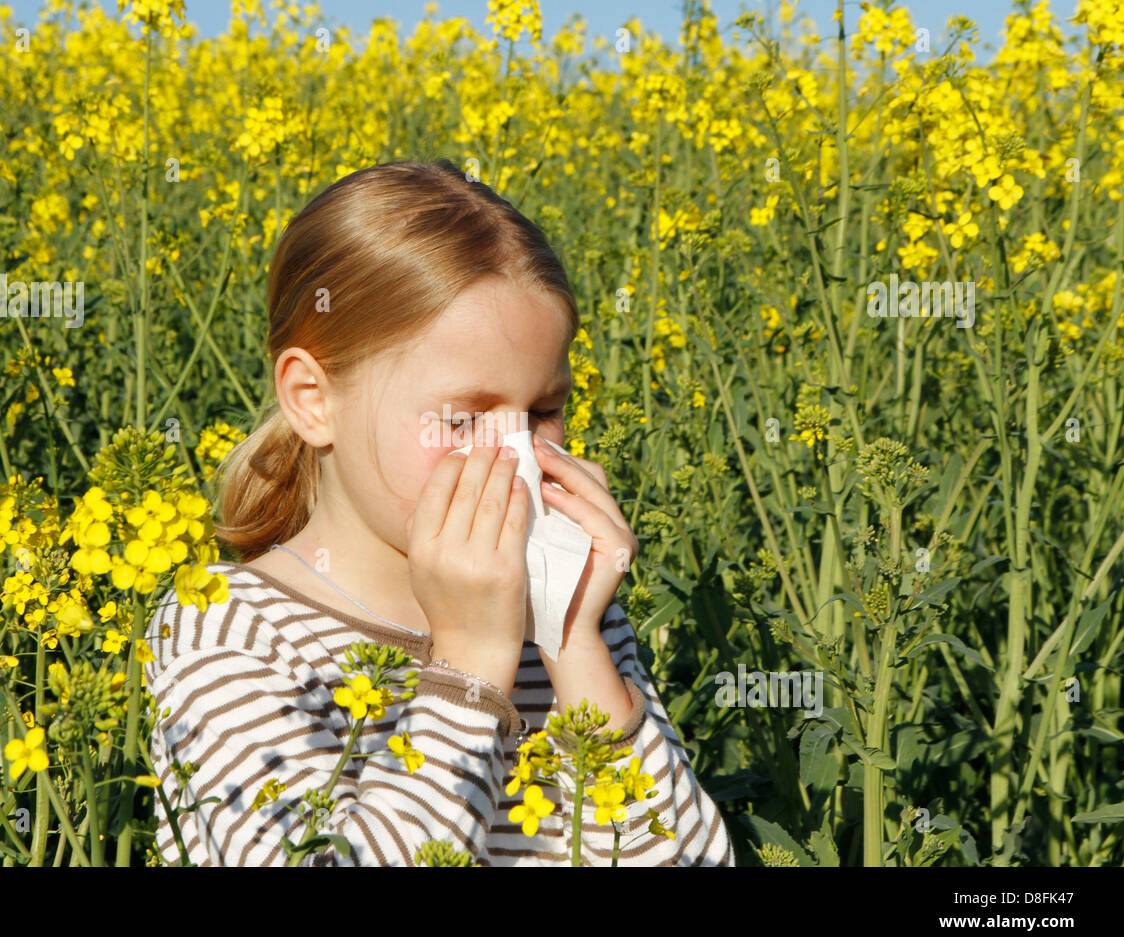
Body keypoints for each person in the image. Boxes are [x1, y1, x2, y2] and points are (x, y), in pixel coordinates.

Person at [143, 158, 735, 866]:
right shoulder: (231, 631)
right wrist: (468, 671)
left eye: (544, 411)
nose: (515, 455)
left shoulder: (563, 611)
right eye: (461, 420)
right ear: (312, 399)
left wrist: (574, 640)